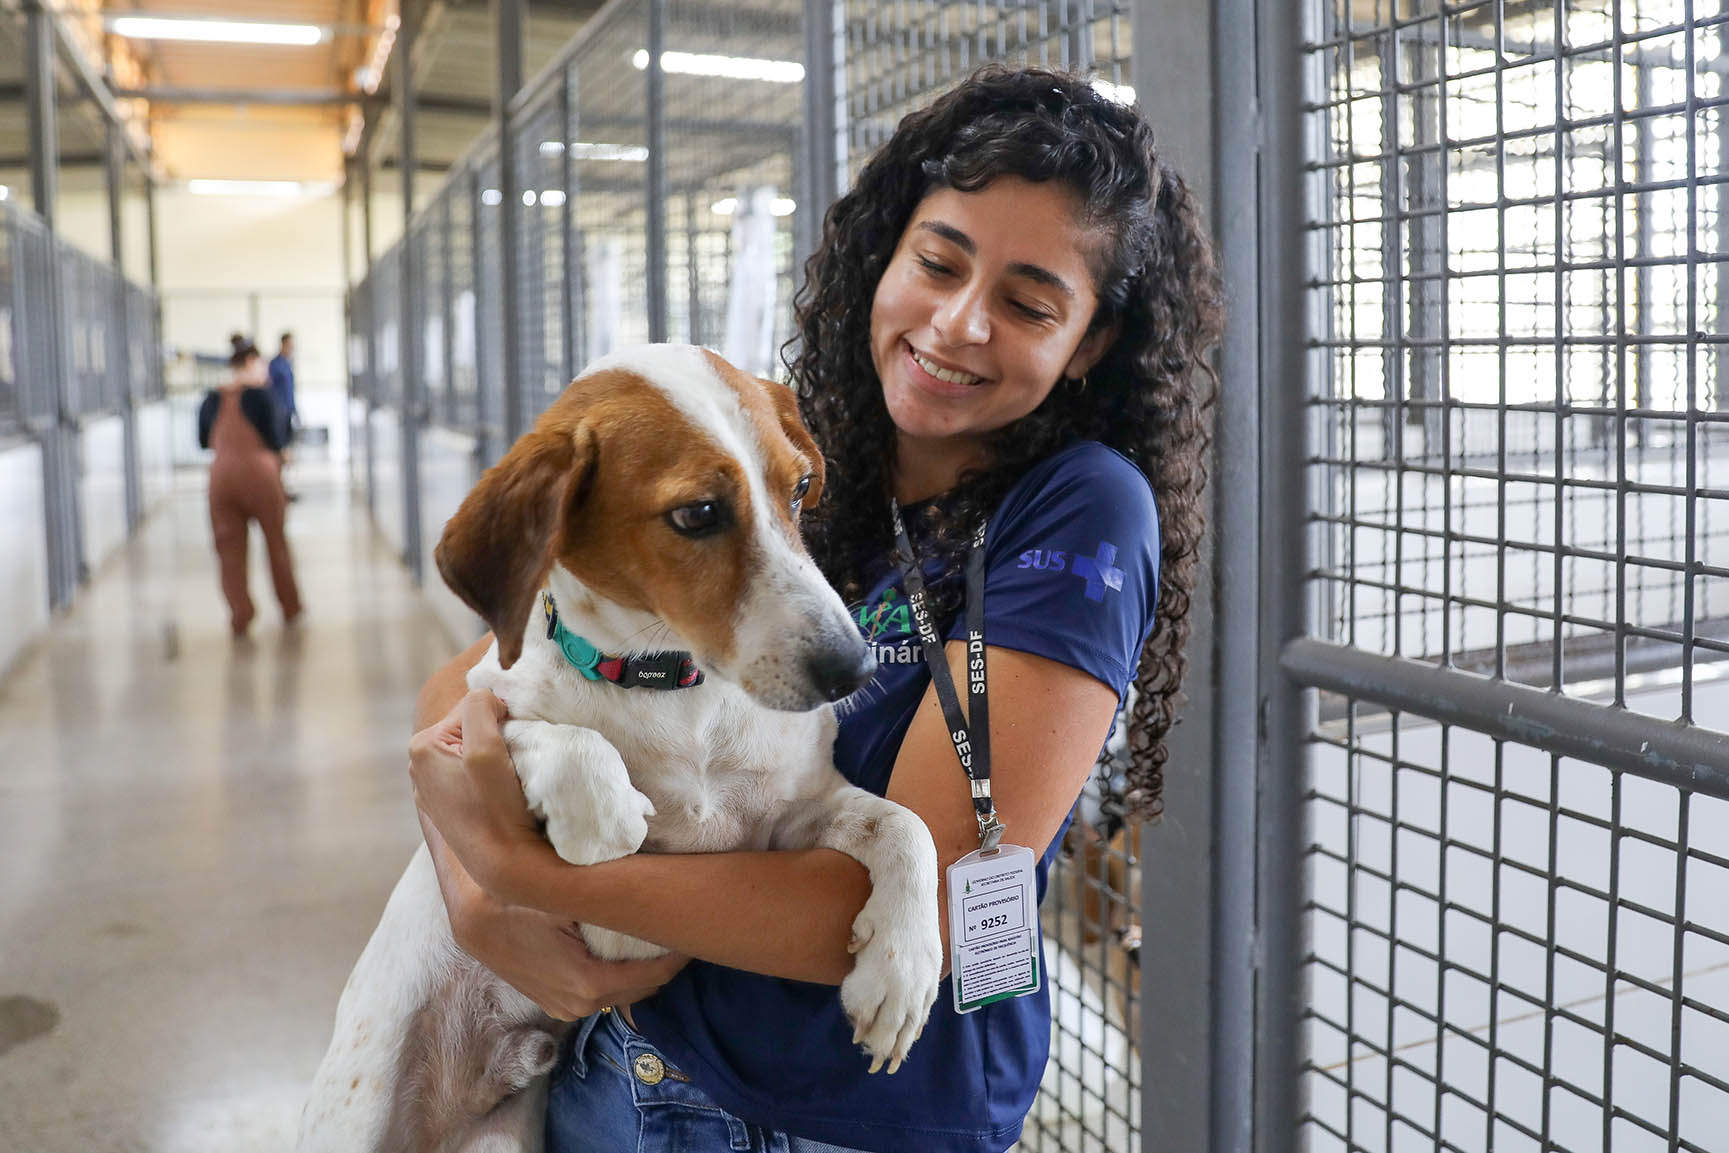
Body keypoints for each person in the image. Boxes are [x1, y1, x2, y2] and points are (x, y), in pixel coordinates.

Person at [407, 65, 1223, 1153]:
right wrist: (467, 880)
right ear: (884, 253)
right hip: (617, 1063)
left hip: (828, 1115)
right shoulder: (792, 448)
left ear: (1091, 344)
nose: (959, 323)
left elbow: (894, 904)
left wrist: (518, 870)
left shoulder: (1077, 508)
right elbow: (485, 676)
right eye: (936, 263)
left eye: (1029, 303)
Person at [199, 337, 303, 636]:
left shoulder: (211, 398)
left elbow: (203, 439)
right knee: (276, 541)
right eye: (260, 363)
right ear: (248, 362)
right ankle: (290, 606)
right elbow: (277, 437)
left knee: (228, 548)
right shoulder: (262, 396)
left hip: (220, 478)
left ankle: (240, 614)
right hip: (260, 475)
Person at [267, 331, 297, 445]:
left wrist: (294, 409)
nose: (292, 347)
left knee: (289, 442)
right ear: (283, 343)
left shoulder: (288, 364)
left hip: (288, 409)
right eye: (290, 344)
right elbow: (270, 387)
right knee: (280, 443)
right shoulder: (274, 364)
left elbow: (290, 389)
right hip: (279, 410)